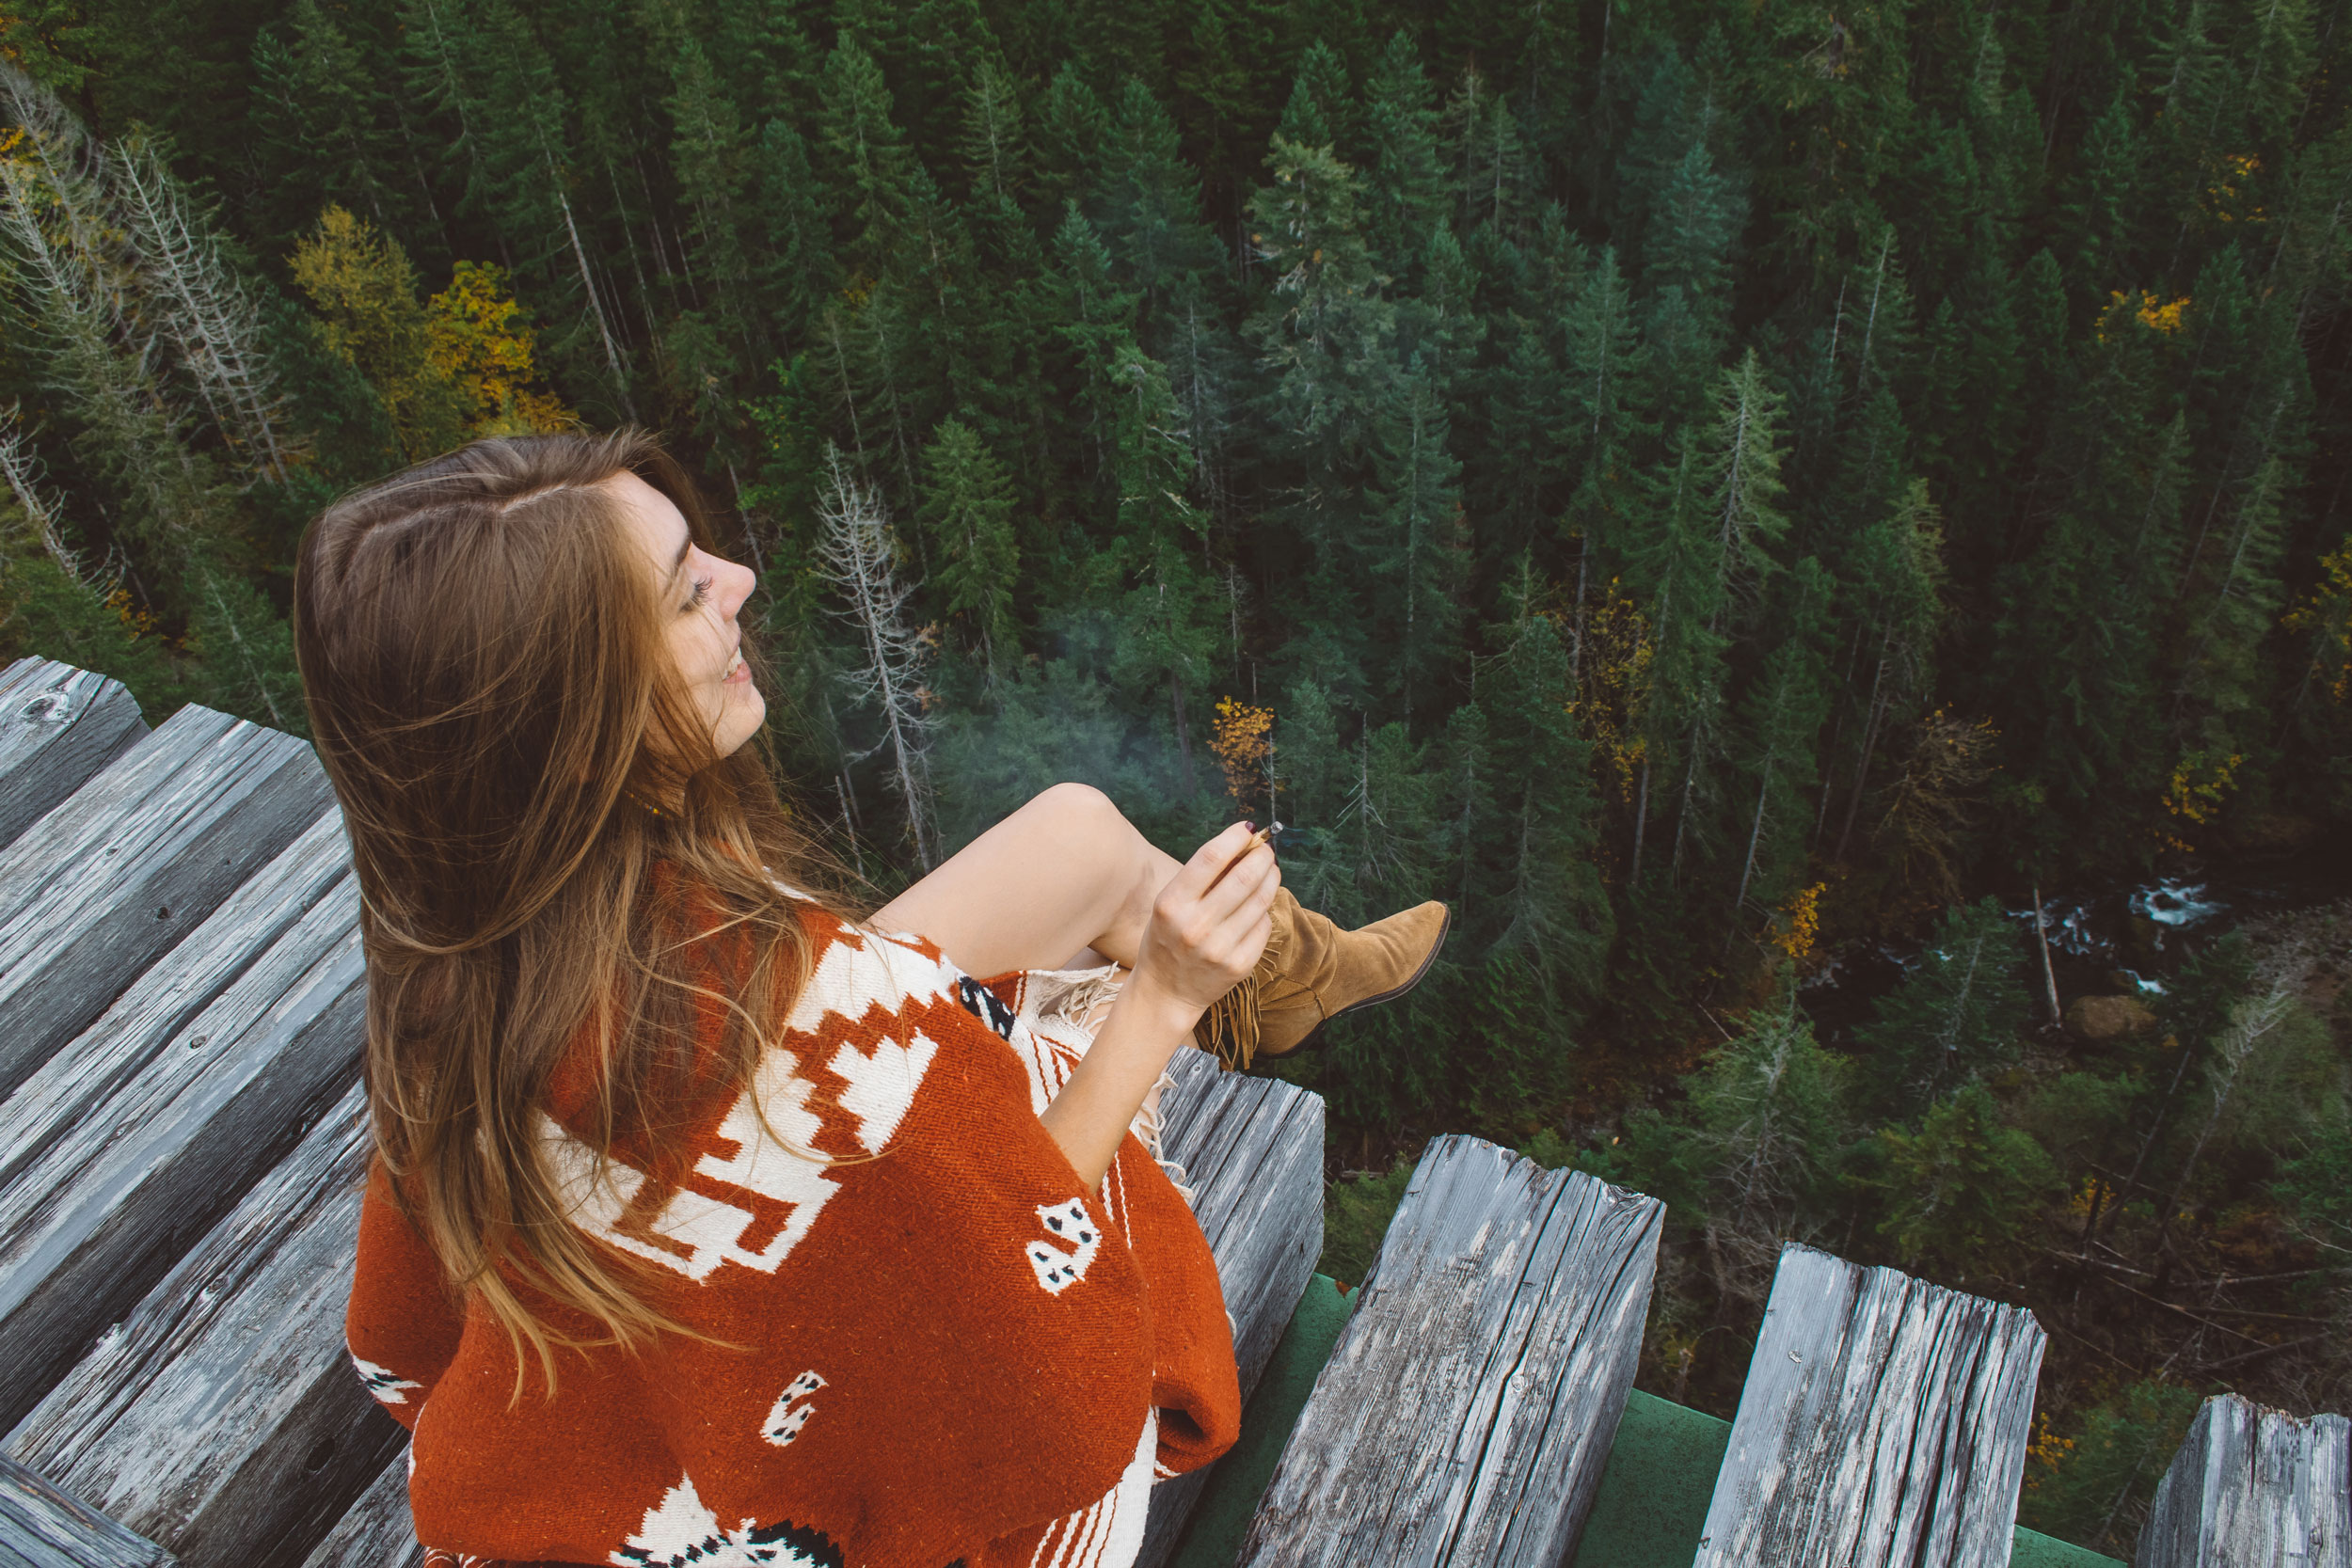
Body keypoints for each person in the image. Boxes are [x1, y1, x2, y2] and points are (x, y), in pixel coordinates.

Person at [294, 430, 1448, 1568]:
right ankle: (1251, 987)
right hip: (890, 1497)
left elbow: (412, 1337)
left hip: (685, 1278)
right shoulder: (794, 1002)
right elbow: (1021, 1316)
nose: (739, 579)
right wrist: (1164, 998)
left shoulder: (453, 954)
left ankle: (1289, 978)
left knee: (1077, 832)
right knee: (1046, 1039)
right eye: (687, 591)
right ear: (582, 722)